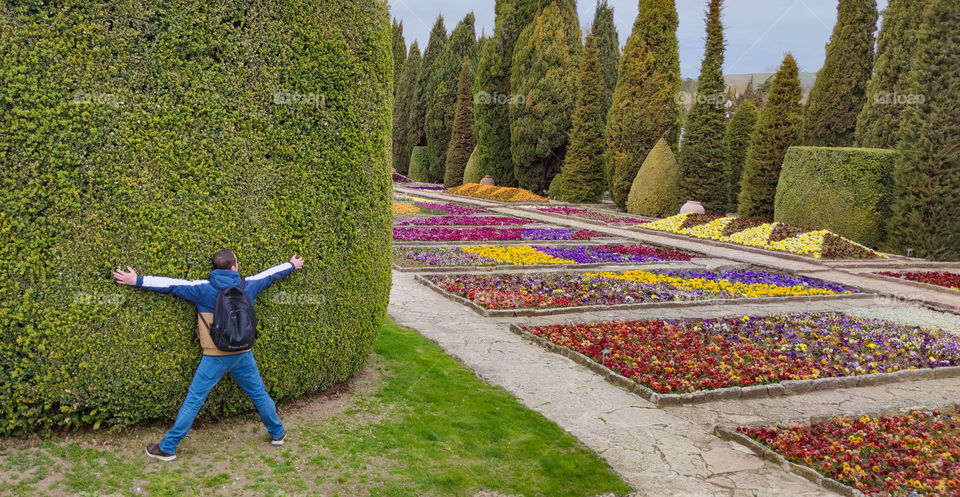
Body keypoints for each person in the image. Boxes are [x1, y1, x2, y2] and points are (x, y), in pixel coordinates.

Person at [112, 249, 304, 461]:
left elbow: (170, 284)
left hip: (215, 356)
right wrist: (291, 265)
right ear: (234, 267)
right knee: (259, 394)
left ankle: (168, 447)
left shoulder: (203, 289)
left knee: (194, 400)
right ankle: (277, 434)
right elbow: (269, 275)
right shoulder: (248, 285)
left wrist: (137, 280)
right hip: (243, 353)